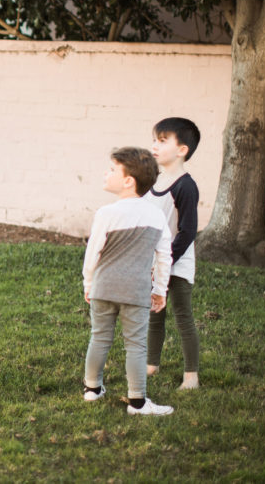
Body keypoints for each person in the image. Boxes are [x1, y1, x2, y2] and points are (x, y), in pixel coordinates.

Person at [82, 146, 174, 416]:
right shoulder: (156, 215)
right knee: (136, 345)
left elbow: (93, 254)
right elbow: (164, 257)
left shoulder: (106, 213)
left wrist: (89, 284)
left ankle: (92, 389)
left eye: (112, 169)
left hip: (104, 287)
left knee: (99, 338)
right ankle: (137, 403)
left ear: (128, 181)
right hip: (136, 291)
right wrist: (160, 290)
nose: (106, 173)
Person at [145, 117, 201, 390]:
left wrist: (166, 263)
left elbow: (187, 232)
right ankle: (151, 365)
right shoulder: (152, 181)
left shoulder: (185, 186)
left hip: (177, 262)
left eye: (162, 141)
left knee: (182, 315)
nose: (155, 146)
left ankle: (191, 376)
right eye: (154, 140)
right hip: (154, 261)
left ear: (182, 150)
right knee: (155, 313)